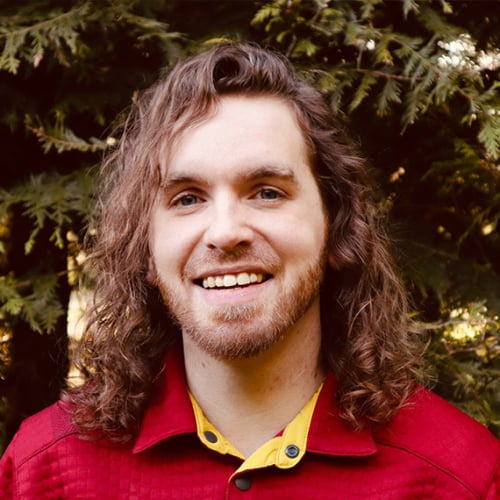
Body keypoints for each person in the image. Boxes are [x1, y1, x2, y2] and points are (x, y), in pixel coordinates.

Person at [0, 41, 498, 499]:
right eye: (187, 198)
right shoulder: (45, 472)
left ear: (336, 227)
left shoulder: (458, 478)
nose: (225, 232)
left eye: (267, 192)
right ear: (147, 249)